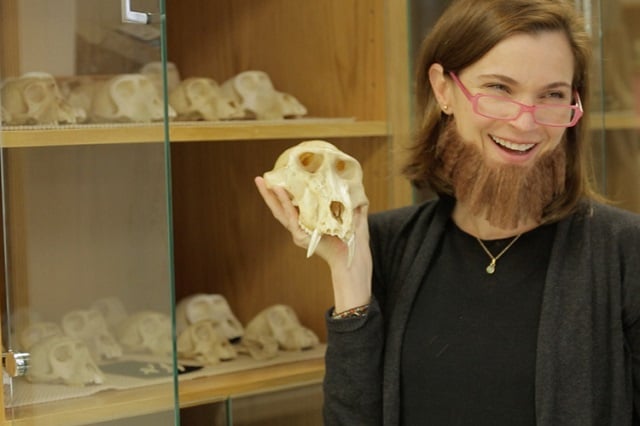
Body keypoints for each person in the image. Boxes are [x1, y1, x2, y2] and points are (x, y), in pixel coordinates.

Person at [254, 0, 640, 424]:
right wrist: (348, 275)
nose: (525, 123)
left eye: (552, 95)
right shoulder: (385, 245)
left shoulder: (624, 252)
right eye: (498, 89)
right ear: (443, 89)